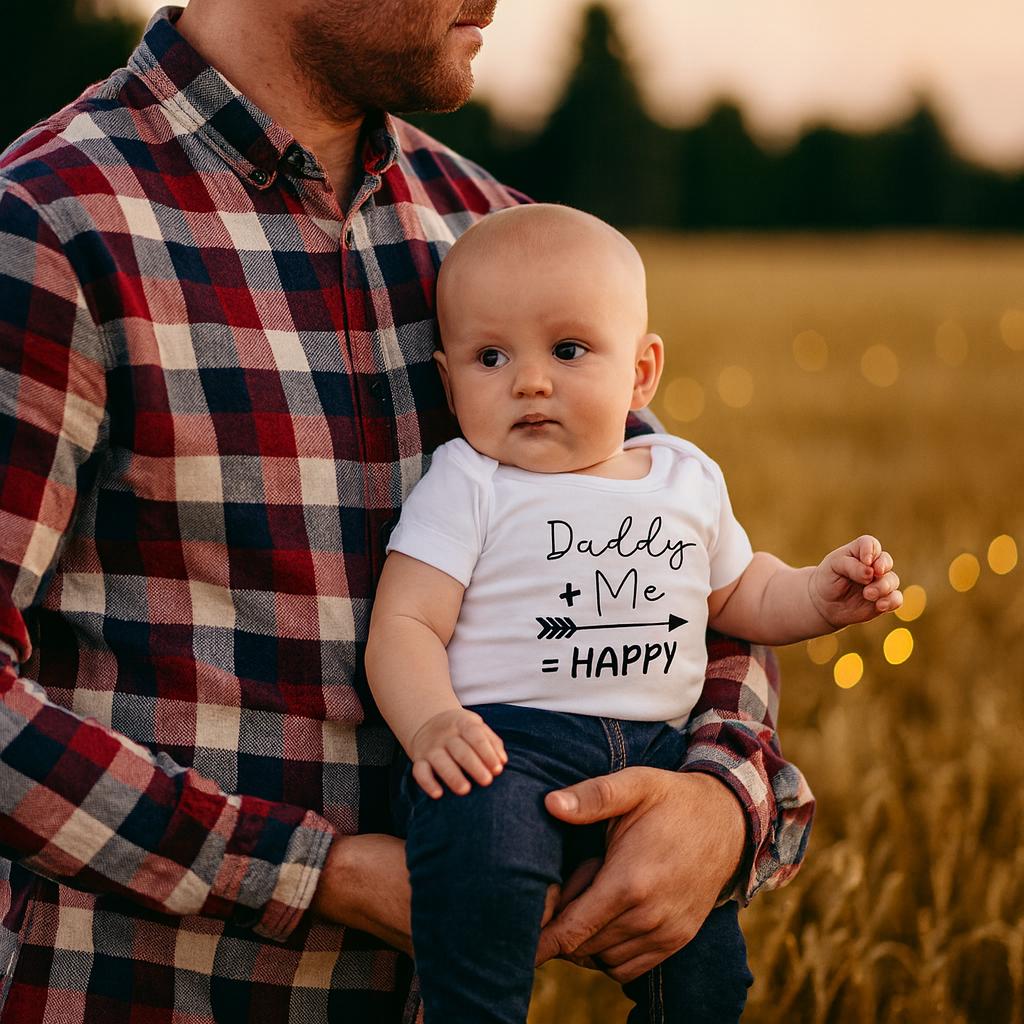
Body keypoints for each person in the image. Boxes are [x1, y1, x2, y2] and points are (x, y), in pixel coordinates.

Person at [0, 3, 814, 1022]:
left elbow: (667, 545)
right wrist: (310, 875)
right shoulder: (49, 227)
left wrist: (722, 795)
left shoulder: (494, 235)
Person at [365, 204, 900, 1022]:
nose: (530, 381)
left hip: (661, 760)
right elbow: (405, 625)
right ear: (447, 381)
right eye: (490, 357)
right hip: (507, 749)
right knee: (480, 876)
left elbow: (737, 597)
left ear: (642, 373)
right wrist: (433, 723)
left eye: (568, 350)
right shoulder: (468, 483)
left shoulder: (683, 476)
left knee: (704, 975)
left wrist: (819, 595)